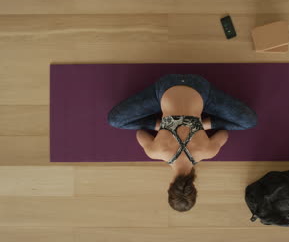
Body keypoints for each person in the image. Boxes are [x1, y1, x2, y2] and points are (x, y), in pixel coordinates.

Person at [108, 74, 258, 212]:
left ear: (194, 188)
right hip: (165, 87)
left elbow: (224, 133)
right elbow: (140, 132)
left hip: (199, 88)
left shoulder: (207, 151)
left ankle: (200, 122)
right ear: (169, 187)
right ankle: (165, 123)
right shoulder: (155, 152)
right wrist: (163, 128)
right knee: (115, 121)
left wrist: (201, 126)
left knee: (249, 122)